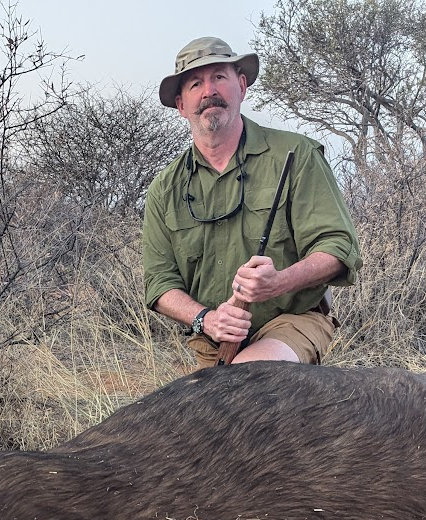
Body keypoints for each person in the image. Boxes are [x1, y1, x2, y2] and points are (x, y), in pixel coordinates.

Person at [143, 37, 360, 369]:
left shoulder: (297, 155)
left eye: (219, 77)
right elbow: (160, 283)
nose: (208, 91)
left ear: (241, 86)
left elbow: (338, 247)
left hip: (294, 321)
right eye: (196, 83)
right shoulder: (164, 188)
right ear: (181, 105)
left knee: (249, 380)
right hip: (215, 338)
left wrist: (279, 282)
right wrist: (206, 318)